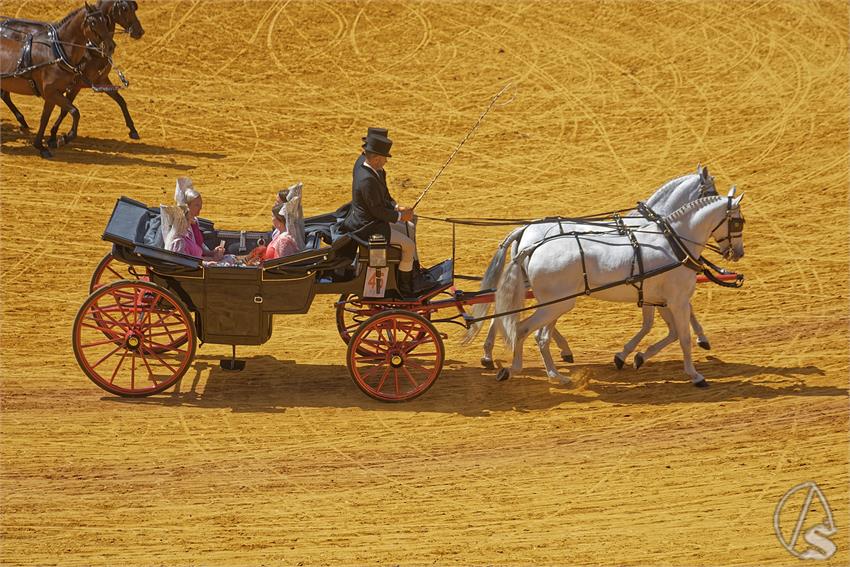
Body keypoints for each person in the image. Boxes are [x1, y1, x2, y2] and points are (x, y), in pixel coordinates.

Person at [340, 131, 421, 296]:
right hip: (370, 227)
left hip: (371, 219)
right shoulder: (367, 180)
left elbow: (383, 196)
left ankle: (411, 269)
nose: (386, 161)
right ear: (376, 159)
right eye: (384, 158)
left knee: (410, 227)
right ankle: (405, 289)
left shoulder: (366, 164)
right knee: (409, 246)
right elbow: (377, 211)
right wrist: (399, 216)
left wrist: (396, 206)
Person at [160, 177, 225, 260]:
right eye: (197, 205)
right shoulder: (179, 231)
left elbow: (199, 250)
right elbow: (189, 260)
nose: (200, 207)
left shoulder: (193, 223)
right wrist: (211, 259)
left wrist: (212, 253)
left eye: (200, 204)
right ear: (188, 206)